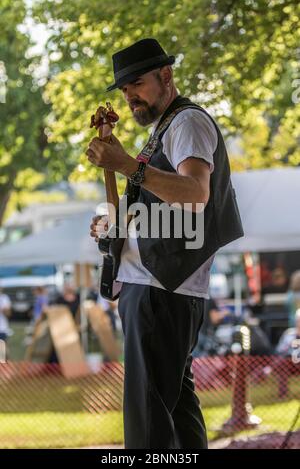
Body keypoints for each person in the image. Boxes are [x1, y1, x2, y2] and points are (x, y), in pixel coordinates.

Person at [87, 38, 243, 449]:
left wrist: (124, 164)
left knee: (149, 421)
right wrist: (115, 222)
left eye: (136, 83)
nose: (129, 96)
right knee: (176, 415)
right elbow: (162, 203)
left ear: (166, 75)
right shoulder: (164, 129)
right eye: (123, 89)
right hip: (159, 288)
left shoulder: (186, 122)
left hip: (161, 290)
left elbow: (194, 193)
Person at [0, 287, 12, 361]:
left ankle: (8, 368)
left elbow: (9, 313)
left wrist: (4, 310)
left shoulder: (4, 298)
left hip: (2, 328)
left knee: (4, 352)